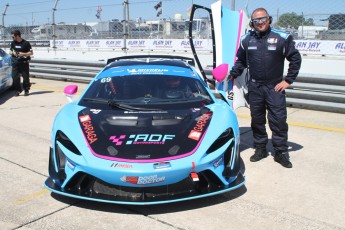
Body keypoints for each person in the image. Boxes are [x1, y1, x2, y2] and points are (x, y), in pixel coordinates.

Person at [229, 8, 302, 168]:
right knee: (257, 120)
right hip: (255, 87)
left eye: (263, 19)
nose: (260, 22)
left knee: (278, 121)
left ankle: (281, 152)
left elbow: (295, 59)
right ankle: (260, 148)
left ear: (269, 19)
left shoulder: (282, 37)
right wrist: (232, 74)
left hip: (274, 87)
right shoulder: (246, 39)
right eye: (256, 20)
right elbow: (240, 61)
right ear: (252, 23)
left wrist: (288, 80)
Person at [9, 30, 33, 96]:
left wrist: (23, 54)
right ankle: (18, 90)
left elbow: (31, 53)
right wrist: (12, 53)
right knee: (15, 77)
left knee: (25, 77)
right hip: (16, 62)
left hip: (24, 63)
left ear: (17, 36)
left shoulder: (26, 43)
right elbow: (10, 51)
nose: (12, 38)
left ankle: (26, 90)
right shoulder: (13, 43)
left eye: (13, 37)